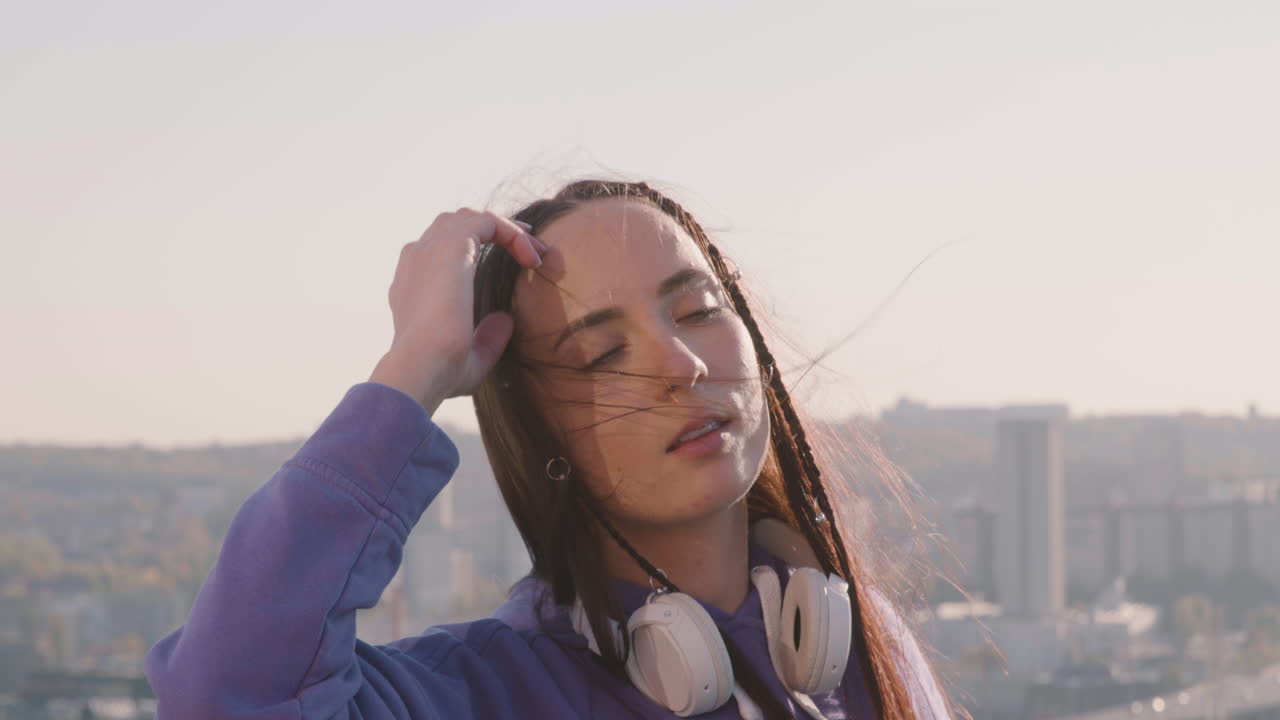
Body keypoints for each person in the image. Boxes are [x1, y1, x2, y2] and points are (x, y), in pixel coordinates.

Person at [144, 179, 955, 719]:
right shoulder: (482, 693)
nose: (681, 364)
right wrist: (412, 370)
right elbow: (227, 692)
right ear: (542, 435)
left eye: (699, 308)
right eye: (601, 354)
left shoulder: (861, 645)